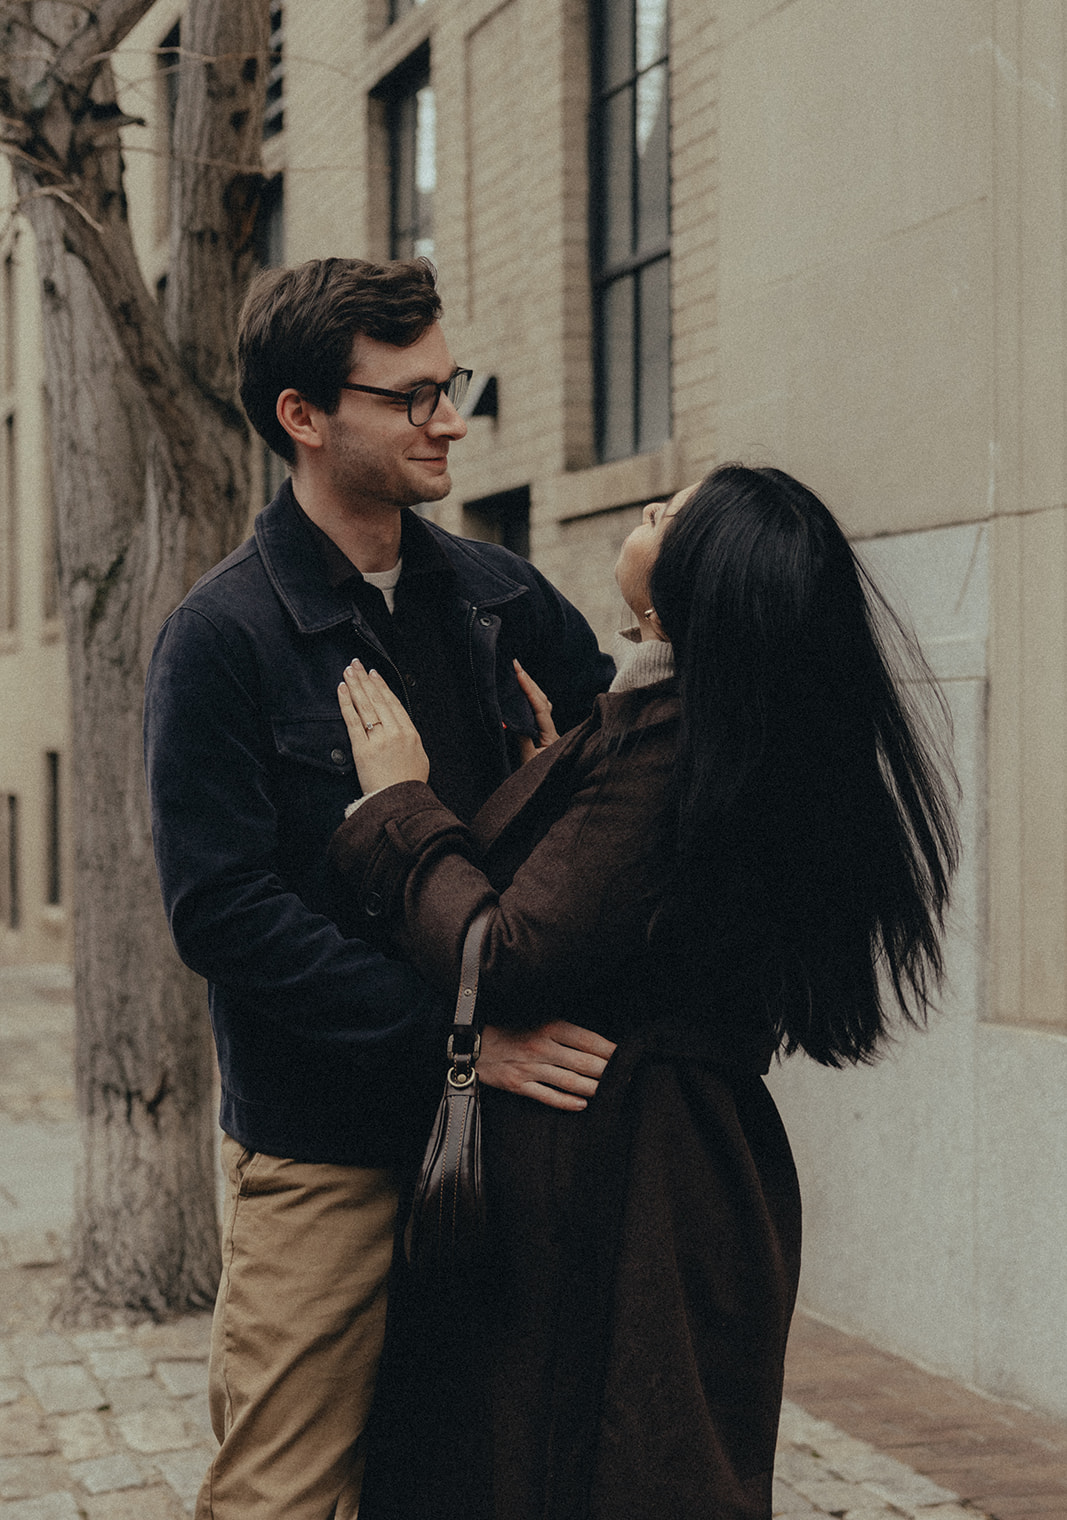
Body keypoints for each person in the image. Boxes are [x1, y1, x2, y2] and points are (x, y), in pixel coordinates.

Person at [328, 464, 960, 1520]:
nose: (657, 504)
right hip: (680, 1162)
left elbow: (512, 951)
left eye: (679, 516)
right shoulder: (699, 727)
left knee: (598, 1469)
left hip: (625, 1175)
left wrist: (400, 807)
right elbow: (625, 908)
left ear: (686, 599)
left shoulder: (668, 742)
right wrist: (555, 783)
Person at [142, 256, 617, 1520]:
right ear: (302, 415)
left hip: (516, 1131)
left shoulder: (500, 597)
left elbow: (623, 777)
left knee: (485, 1474)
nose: (448, 418)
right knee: (283, 1495)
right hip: (325, 1147)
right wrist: (458, 1042)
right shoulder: (219, 637)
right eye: (410, 397)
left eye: (446, 385)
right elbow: (222, 913)